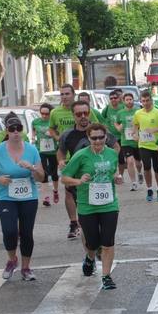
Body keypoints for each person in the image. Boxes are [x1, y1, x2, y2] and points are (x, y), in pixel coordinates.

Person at [0, 113, 44, 281]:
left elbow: (41, 176)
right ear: (7, 131)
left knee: (26, 233)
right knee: (9, 231)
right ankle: (12, 260)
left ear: (23, 131)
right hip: (6, 196)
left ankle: (26, 268)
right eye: (12, 129)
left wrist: (31, 167)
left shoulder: (31, 150)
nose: (16, 132)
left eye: (19, 128)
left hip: (29, 197)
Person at [60, 122, 120, 290]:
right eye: (94, 138)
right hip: (87, 205)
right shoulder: (81, 155)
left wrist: (117, 177)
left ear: (106, 137)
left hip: (109, 204)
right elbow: (64, 177)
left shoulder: (112, 154)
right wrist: (78, 181)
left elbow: (114, 172)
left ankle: (106, 276)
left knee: (108, 242)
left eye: (101, 137)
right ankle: (90, 257)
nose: (98, 141)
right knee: (92, 242)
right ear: (88, 138)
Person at [57, 101, 94, 240]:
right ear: (73, 116)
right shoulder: (67, 134)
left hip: (97, 176)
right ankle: (74, 223)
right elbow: (60, 152)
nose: (83, 116)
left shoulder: (98, 131)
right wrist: (61, 161)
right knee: (72, 197)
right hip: (75, 177)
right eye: (79, 114)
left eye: (86, 113)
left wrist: (112, 168)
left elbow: (115, 147)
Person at [133, 90, 158, 202]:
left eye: (147, 100)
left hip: (156, 145)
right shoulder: (138, 113)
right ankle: (149, 189)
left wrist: (156, 129)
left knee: (157, 168)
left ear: (151, 100)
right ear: (141, 101)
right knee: (147, 166)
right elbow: (135, 124)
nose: (146, 103)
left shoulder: (157, 113)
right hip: (143, 145)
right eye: (143, 101)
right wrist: (135, 134)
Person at [109, 90, 140, 190]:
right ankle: (134, 182)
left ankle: (139, 172)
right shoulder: (120, 113)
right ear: (123, 101)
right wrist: (118, 127)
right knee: (130, 161)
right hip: (125, 140)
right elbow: (116, 123)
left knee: (138, 163)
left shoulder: (138, 111)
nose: (129, 101)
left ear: (133, 100)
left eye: (131, 99)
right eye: (127, 100)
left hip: (138, 140)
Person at [32, 103, 61, 208]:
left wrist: (54, 135)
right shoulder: (35, 122)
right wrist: (33, 139)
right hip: (41, 151)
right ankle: (46, 197)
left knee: (54, 173)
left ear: (50, 113)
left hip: (53, 151)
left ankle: (55, 191)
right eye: (42, 113)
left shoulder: (53, 122)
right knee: (44, 173)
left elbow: (59, 134)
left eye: (47, 114)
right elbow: (33, 133)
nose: (44, 116)